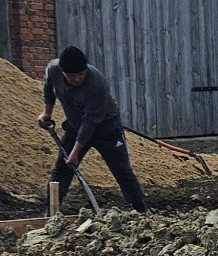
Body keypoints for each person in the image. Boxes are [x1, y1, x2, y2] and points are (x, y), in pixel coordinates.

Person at [37, 45, 147, 210]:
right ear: (63, 72)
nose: (78, 79)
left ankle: (141, 211)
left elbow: (90, 123)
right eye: (73, 76)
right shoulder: (53, 71)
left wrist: (74, 153)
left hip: (106, 129)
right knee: (61, 170)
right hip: (76, 125)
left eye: (81, 74)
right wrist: (47, 113)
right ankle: (51, 211)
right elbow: (49, 88)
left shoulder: (96, 84)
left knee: (122, 170)